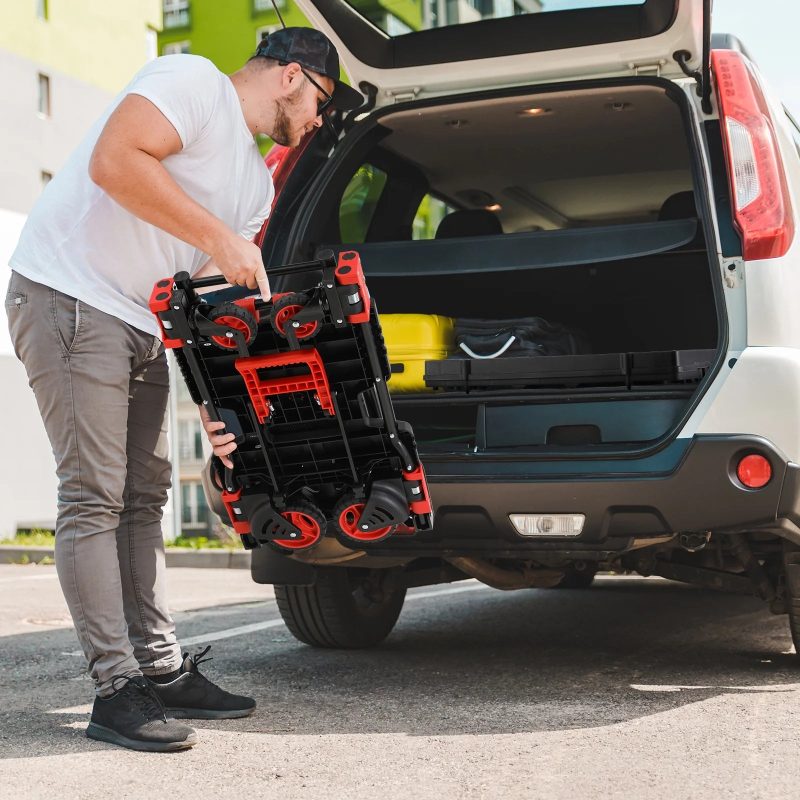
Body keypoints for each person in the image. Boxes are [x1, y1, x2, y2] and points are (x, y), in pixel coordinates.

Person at [4, 27, 362, 753]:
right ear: (291, 76)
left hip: (138, 317)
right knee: (95, 495)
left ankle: (161, 671)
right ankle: (115, 689)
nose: (320, 120)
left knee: (146, 495)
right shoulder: (193, 82)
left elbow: (202, 297)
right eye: (323, 101)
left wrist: (212, 397)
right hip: (69, 295)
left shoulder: (256, 183)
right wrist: (224, 241)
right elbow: (116, 162)